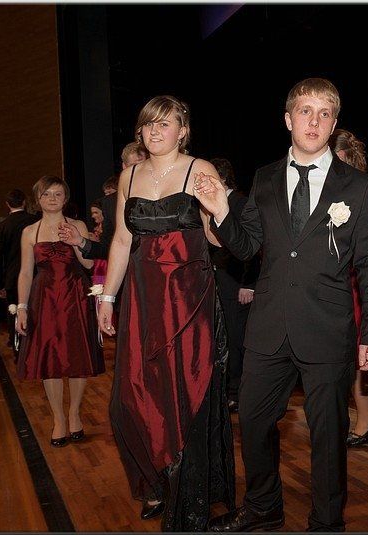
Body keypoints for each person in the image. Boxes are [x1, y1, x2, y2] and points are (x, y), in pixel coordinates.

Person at [195, 78, 368, 532]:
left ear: (334, 124)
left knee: (328, 435)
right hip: (269, 327)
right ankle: (264, 506)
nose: (314, 121)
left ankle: (327, 522)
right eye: (305, 111)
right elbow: (247, 246)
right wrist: (220, 211)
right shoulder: (264, 178)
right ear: (288, 119)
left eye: (324, 114)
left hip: (327, 328)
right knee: (254, 420)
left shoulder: (359, 186)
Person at [94, 95, 235, 530]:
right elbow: (122, 241)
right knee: (131, 399)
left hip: (189, 300)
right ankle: (159, 479)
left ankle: (187, 494)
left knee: (184, 396)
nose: (155, 131)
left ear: (182, 130)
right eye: (149, 124)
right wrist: (107, 297)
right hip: (143, 299)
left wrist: (220, 209)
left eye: (165, 123)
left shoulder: (199, 169)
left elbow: (218, 241)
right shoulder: (129, 175)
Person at [14, 176, 103, 449]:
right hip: (44, 299)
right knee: (49, 359)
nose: (52, 198)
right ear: (38, 199)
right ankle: (58, 419)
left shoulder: (78, 225)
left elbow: (89, 264)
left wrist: (77, 240)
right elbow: (25, 272)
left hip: (75, 296)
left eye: (58, 194)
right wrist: (22, 307)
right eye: (47, 194)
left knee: (77, 355)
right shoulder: (30, 232)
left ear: (65, 198)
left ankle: (74, 413)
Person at [330, 128, 368, 447]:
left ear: (350, 158)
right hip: (333, 282)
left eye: (338, 158)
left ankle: (367, 417)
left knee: (357, 351)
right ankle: (362, 416)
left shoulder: (363, 188)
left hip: (356, 282)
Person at [208, 157, 260, 413]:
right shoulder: (207, 206)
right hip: (220, 280)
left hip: (237, 282)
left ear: (222, 177)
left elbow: (251, 246)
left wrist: (248, 284)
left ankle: (238, 393)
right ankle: (228, 390)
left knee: (238, 340)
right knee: (224, 336)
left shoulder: (240, 202)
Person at [0, 189, 39, 355]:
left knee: (14, 314)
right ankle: (38, 350)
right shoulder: (36, 221)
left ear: (7, 204)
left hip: (13, 277)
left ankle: (19, 352)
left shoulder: (2, 226)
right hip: (37, 274)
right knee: (38, 311)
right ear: (24, 202)